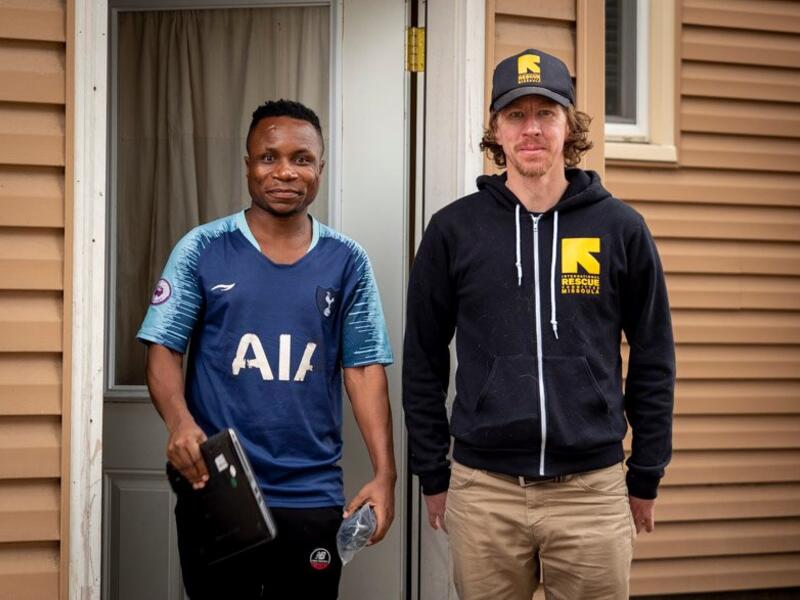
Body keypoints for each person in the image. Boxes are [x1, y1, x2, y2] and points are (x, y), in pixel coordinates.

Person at [403, 48, 675, 600]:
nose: (531, 129)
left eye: (545, 113)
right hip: (485, 493)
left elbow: (654, 356)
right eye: (515, 115)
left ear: (568, 126)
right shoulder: (454, 231)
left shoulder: (620, 228)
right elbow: (422, 359)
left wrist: (646, 471)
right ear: (496, 131)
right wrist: (434, 473)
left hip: (591, 492)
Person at [138, 99, 396, 600]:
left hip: (312, 494)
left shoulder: (347, 261)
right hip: (219, 487)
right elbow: (163, 348)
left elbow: (363, 370)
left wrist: (385, 475)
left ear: (320, 168)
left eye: (301, 159)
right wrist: (179, 421)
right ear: (248, 165)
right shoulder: (202, 248)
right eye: (268, 157)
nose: (284, 171)